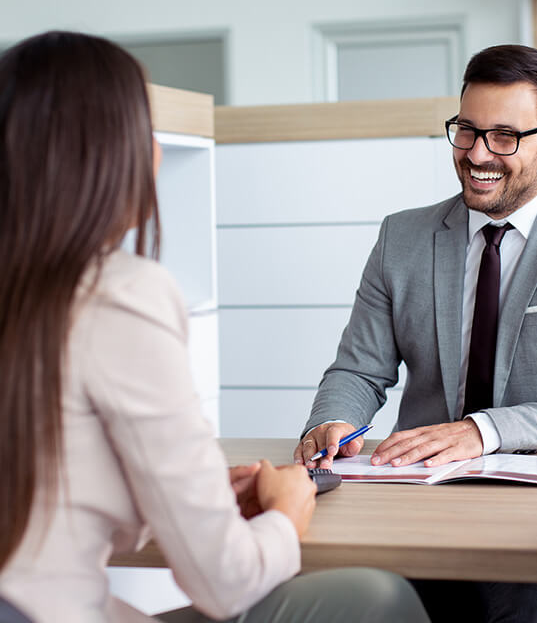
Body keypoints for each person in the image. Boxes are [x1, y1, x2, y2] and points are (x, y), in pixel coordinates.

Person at [0, 31, 430, 623]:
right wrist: (287, 513)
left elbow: (48, 504)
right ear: (109, 153)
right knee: (375, 600)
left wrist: (188, 495)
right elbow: (226, 584)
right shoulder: (119, 294)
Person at [294, 43, 537, 623]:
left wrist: (483, 431)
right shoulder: (401, 237)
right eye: (467, 130)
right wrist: (332, 421)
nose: (479, 153)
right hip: (416, 502)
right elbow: (358, 369)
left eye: (505, 136)